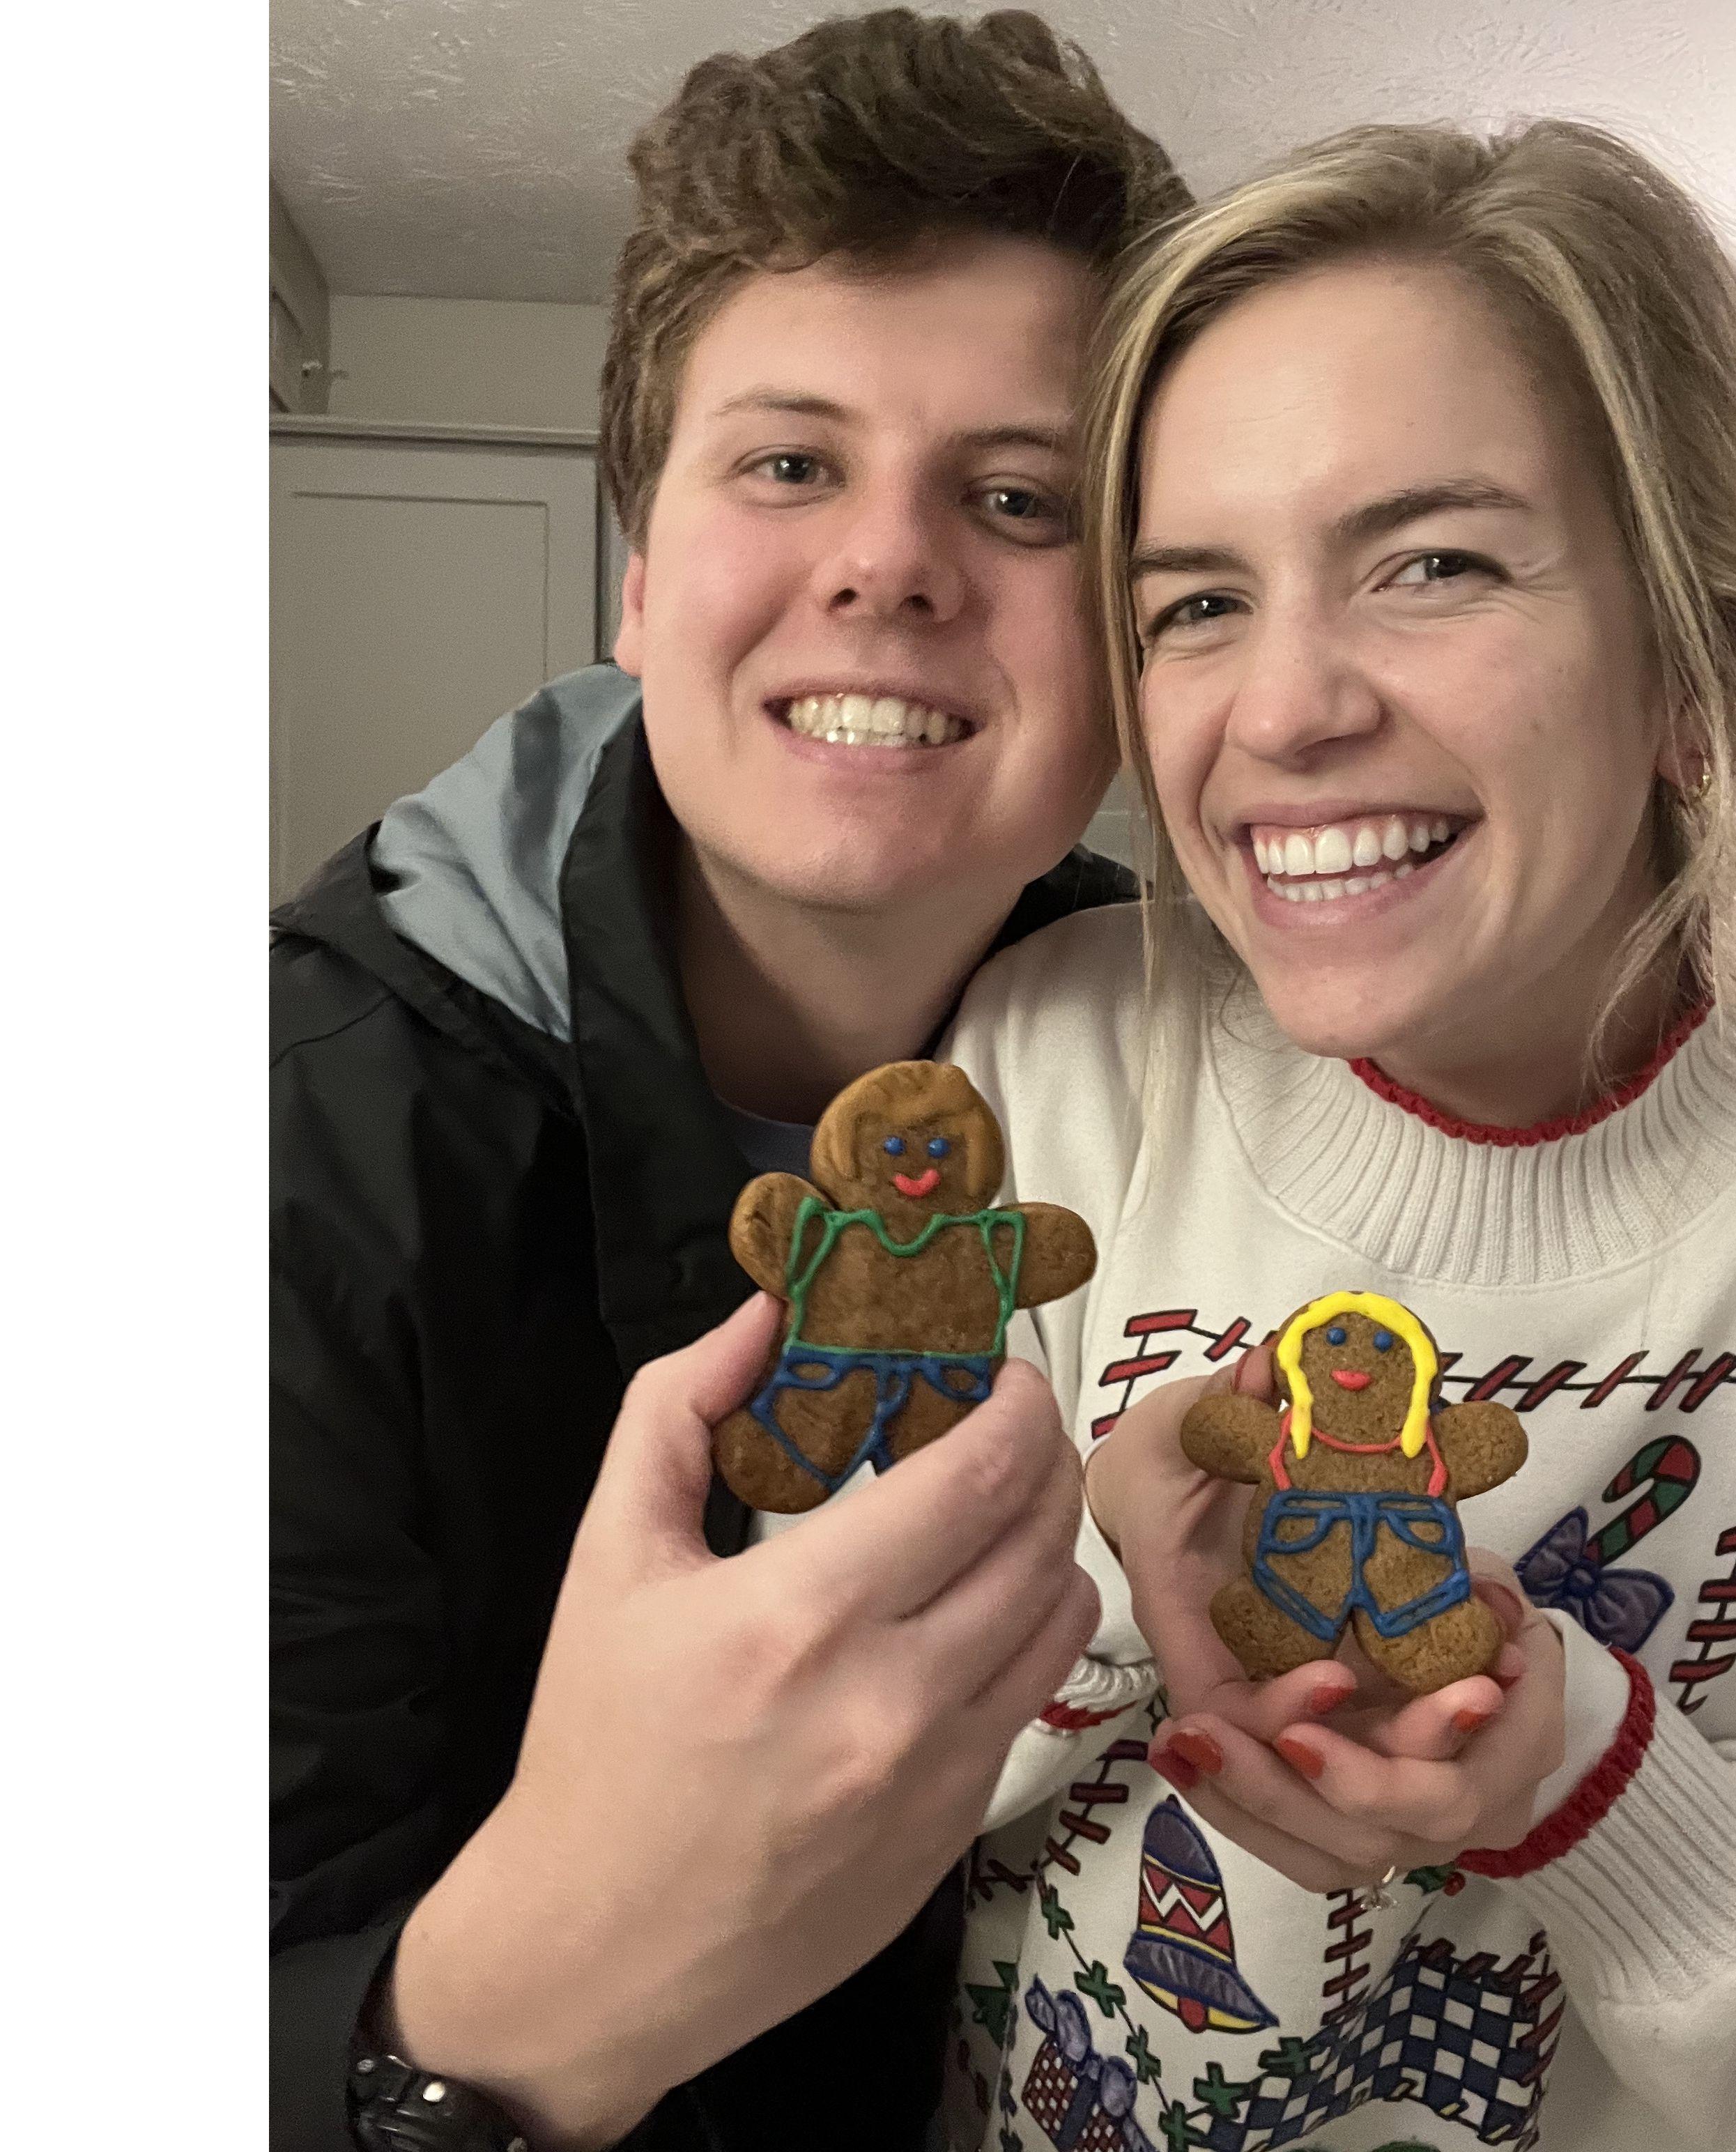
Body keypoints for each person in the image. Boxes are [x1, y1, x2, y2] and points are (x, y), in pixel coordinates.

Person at [270, 13, 1187, 2151]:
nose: (890, 562)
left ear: (1135, 641)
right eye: (789, 464)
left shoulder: (1208, 1096)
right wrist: (509, 2013)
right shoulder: (276, 1159)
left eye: (1022, 496)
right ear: (648, 572)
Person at [939, 121, 1736, 2151]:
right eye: (1195, 601)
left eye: (1434, 562)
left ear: (1694, 665)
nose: (1279, 710)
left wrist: (1581, 1773)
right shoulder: (1051, 1062)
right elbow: (806, 1810)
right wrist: (1095, 1568)